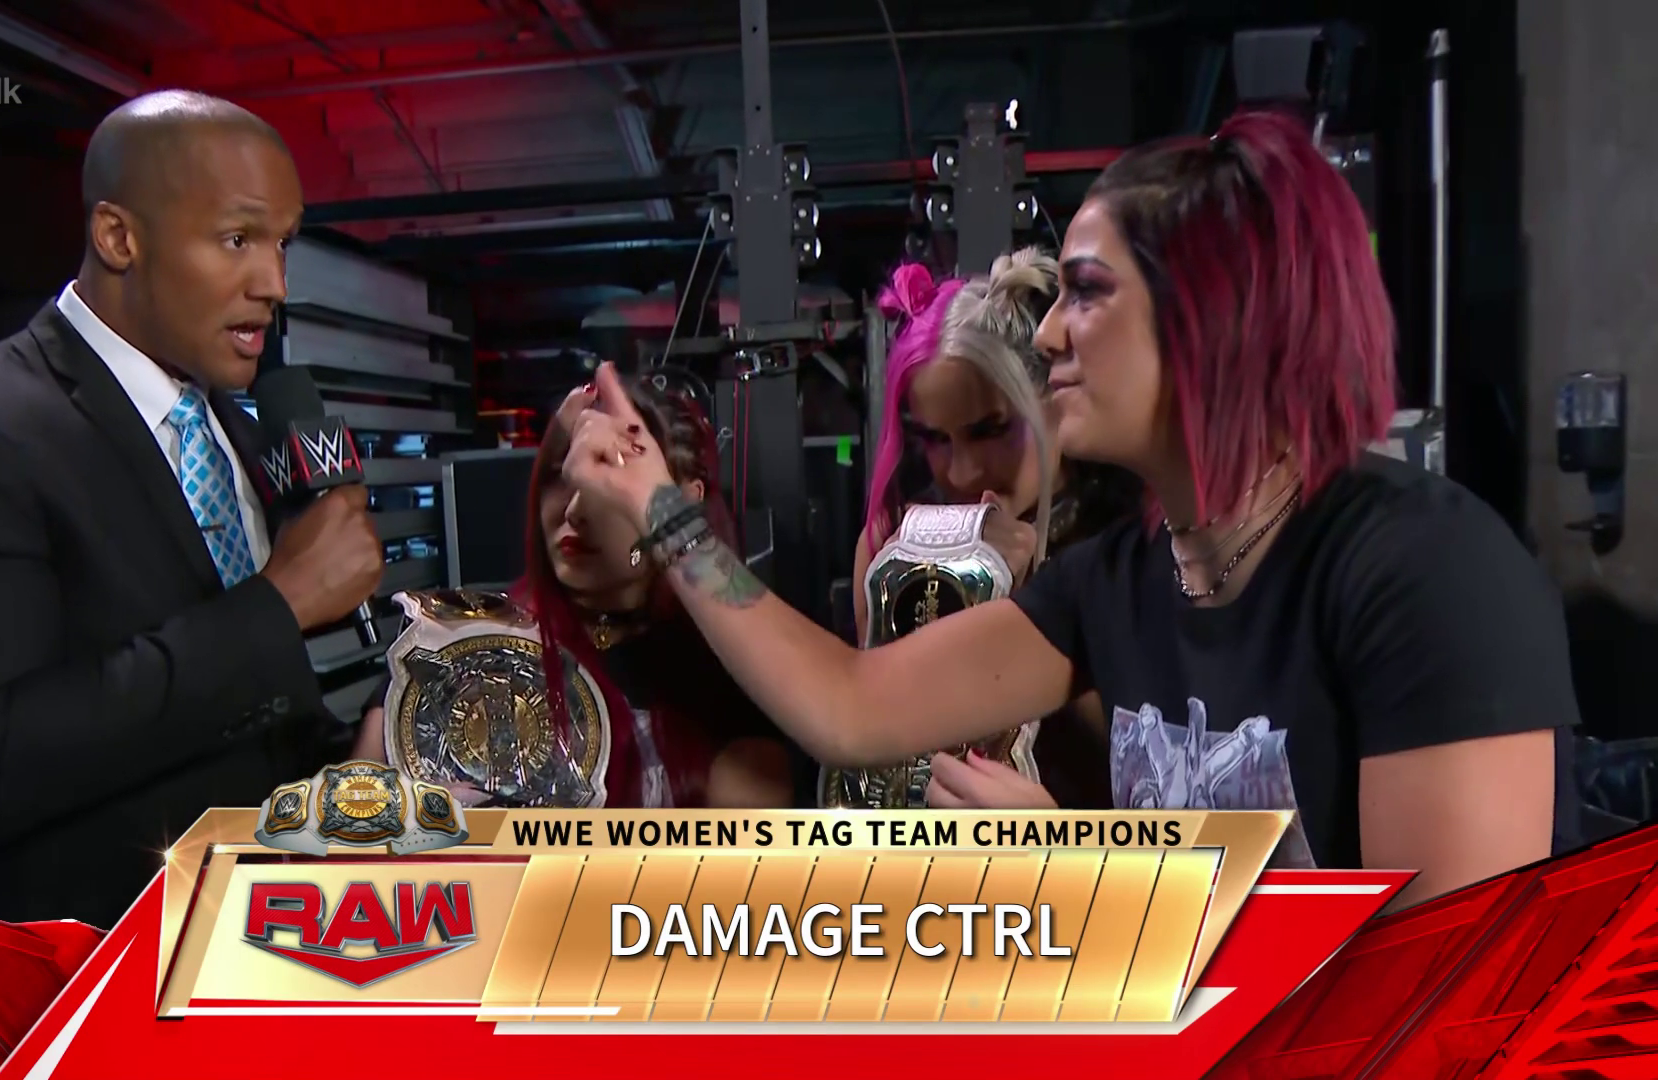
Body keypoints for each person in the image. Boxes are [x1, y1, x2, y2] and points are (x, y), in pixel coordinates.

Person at [560, 110, 1577, 908]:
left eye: (1087, 292)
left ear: (1214, 314)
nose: (1048, 334)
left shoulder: (1425, 571)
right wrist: (665, 511)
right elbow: (851, 706)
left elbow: (1441, 996)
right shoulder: (1121, 581)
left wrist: (1086, 874)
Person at [0, 91, 386, 927]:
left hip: (272, 935)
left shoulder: (236, 429)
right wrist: (281, 603)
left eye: (282, 243)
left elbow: (241, 717)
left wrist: (360, 758)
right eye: (237, 239)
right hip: (97, 962)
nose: (274, 284)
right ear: (119, 237)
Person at [356, 376, 793, 808]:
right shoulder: (451, 643)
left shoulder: (738, 676)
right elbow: (351, 827)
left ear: (681, 501)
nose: (574, 509)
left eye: (607, 476)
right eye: (560, 476)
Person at [857, 250, 1139, 809]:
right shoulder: (893, 550)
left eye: (989, 431)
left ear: (1055, 398)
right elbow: (876, 755)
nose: (961, 472)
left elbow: (1150, 757)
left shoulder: (1131, 547)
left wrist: (1028, 601)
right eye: (934, 439)